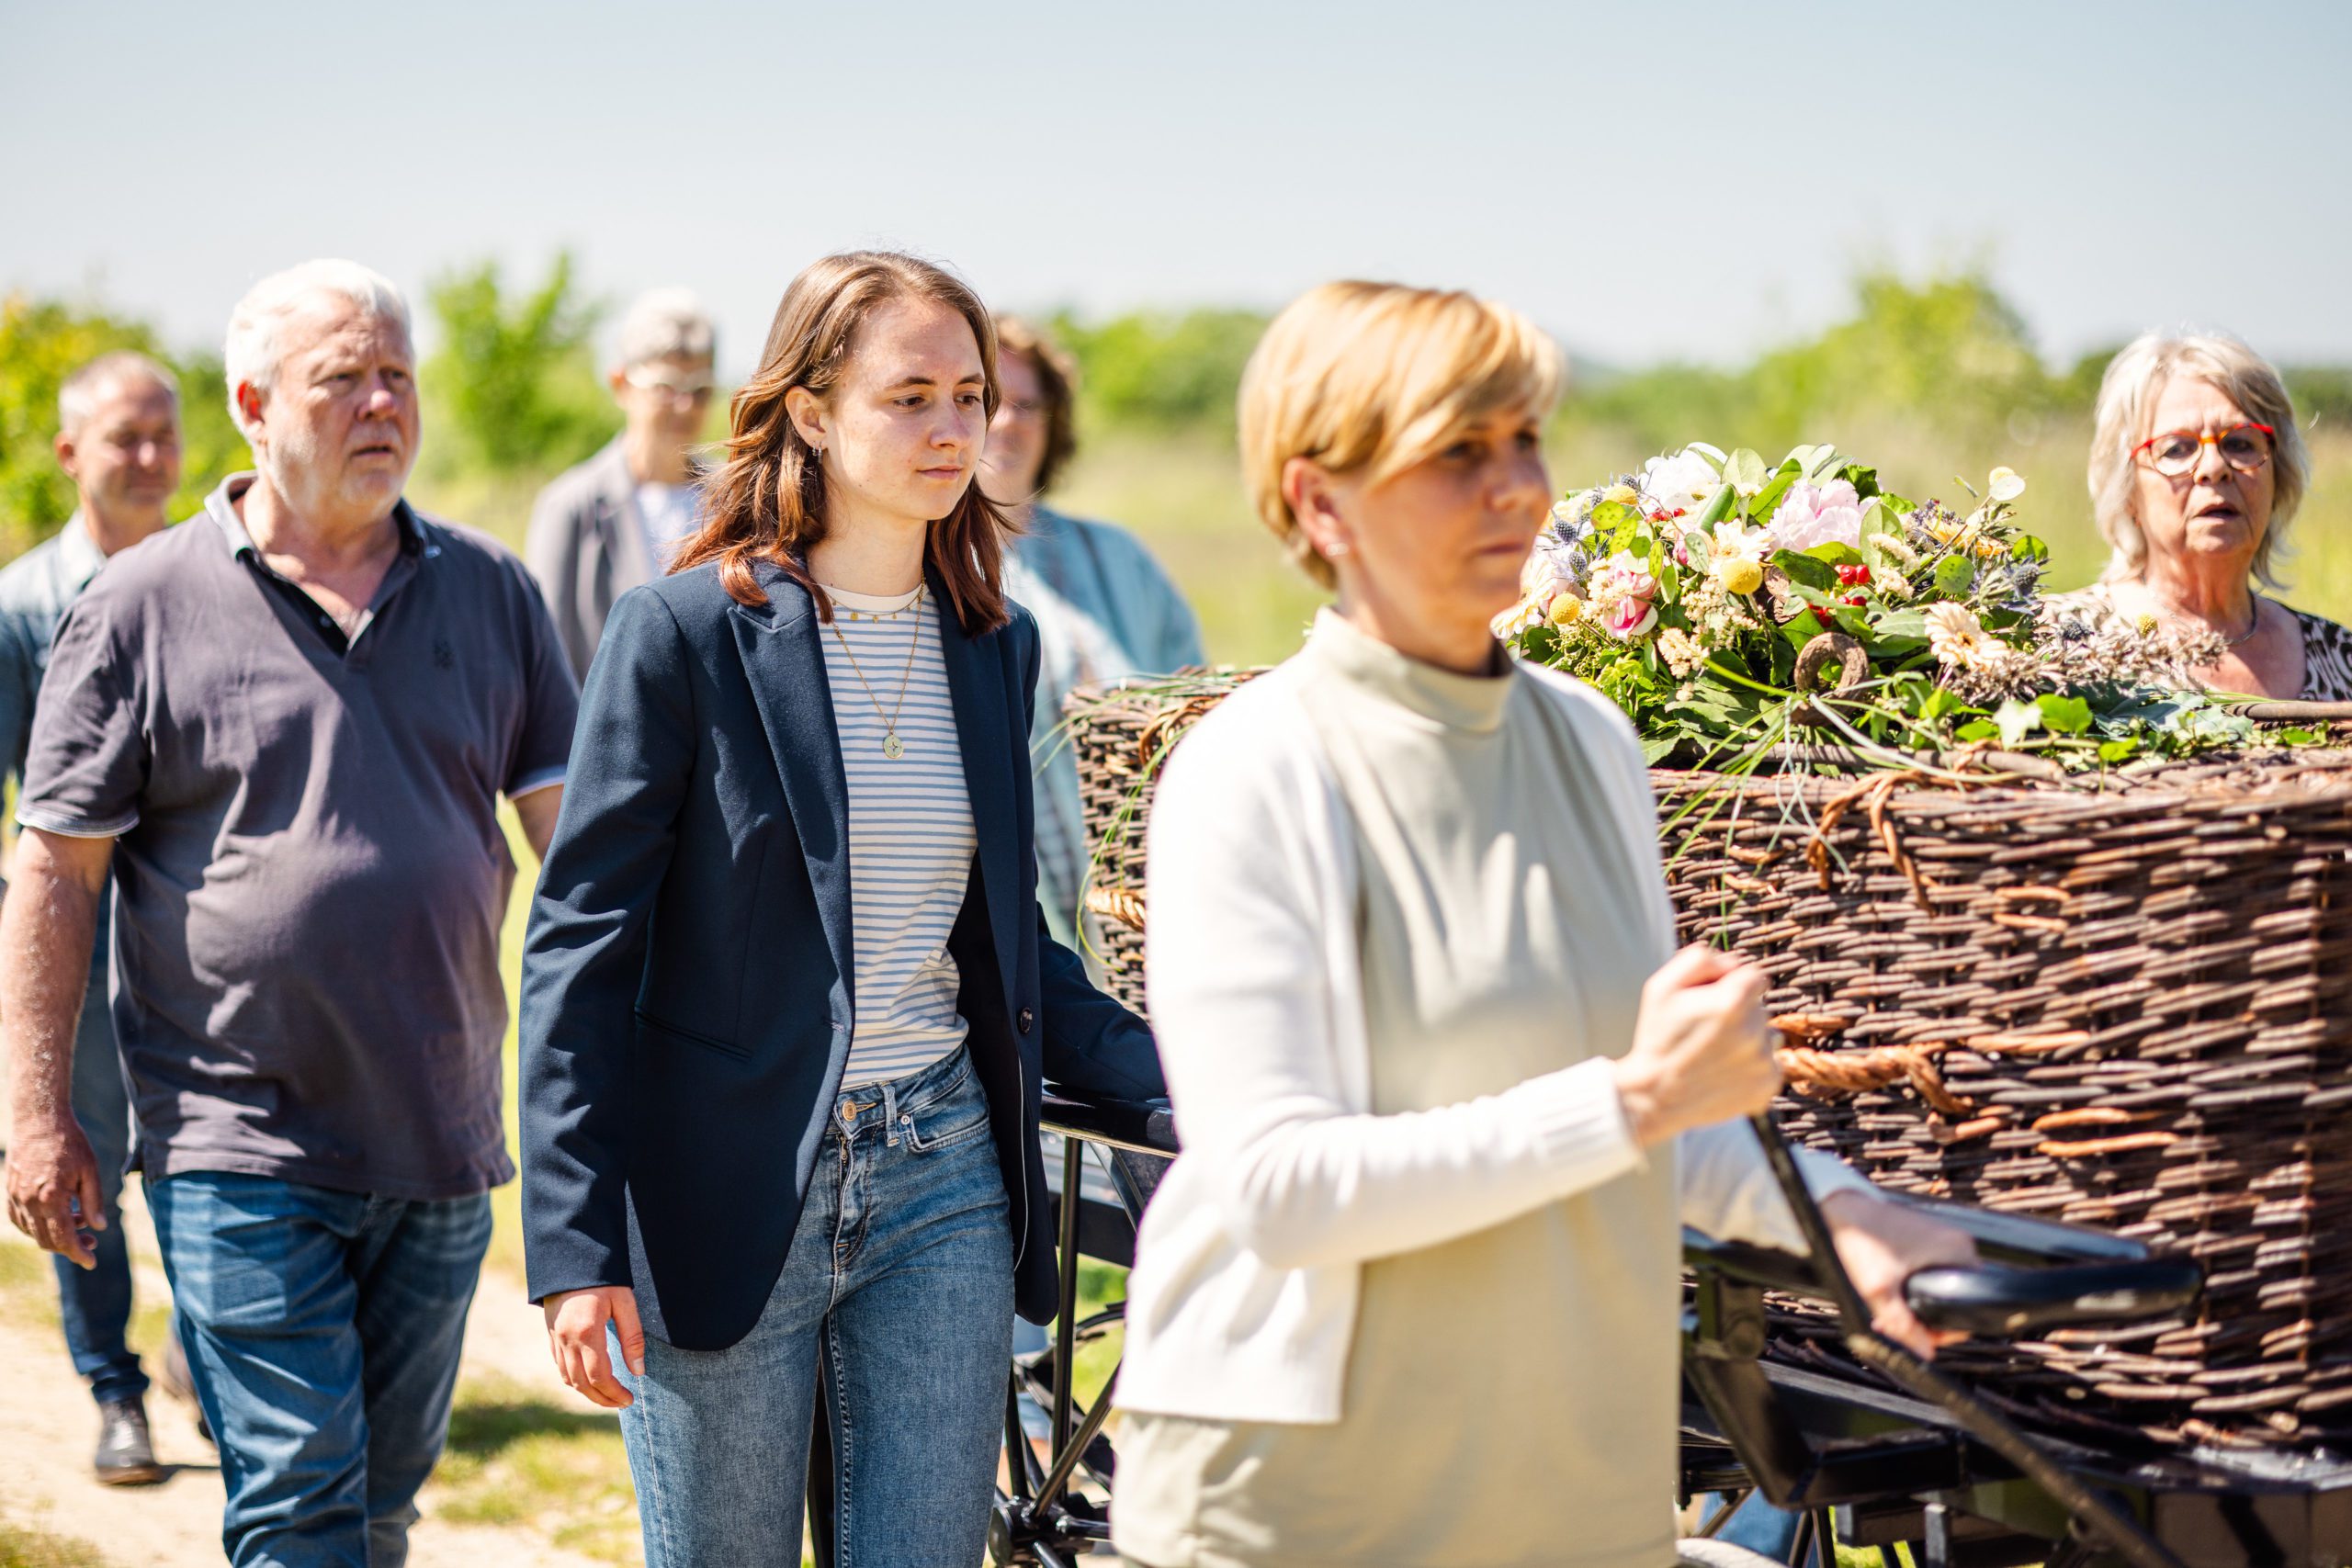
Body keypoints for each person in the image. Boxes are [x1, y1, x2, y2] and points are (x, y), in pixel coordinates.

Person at [1111, 280, 1978, 1568]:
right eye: (1458, 452)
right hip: (1303, 1506)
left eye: (1524, 439)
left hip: (1567, 1486)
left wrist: (1839, 1212)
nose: (1519, 486)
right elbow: (1281, 1189)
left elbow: (1666, 1118)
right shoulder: (1254, 770)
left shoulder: (1590, 742)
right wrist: (1629, 1101)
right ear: (1316, 500)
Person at [520, 250, 1165, 1567]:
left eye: (970, 395)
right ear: (811, 413)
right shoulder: (683, 632)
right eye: (909, 395)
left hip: (944, 1172)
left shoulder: (997, 642)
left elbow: (1007, 944)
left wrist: (1198, 1084)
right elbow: (582, 947)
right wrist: (574, 1241)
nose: (952, 430)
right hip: (721, 1175)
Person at [1, 258, 579, 1566]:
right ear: (256, 403)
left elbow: (583, 857)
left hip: (439, 1132)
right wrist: (36, 1114)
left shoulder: (491, 592)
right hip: (233, 1134)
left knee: (377, 1505)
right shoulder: (139, 603)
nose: (384, 403)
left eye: (399, 377)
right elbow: (54, 872)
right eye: (345, 379)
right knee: (300, 1497)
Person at [0, 350, 181, 1484]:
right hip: (82, 940)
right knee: (84, 1176)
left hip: (199, 946)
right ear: (72, 452)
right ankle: (115, 1390)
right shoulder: (20, 608)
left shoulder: (207, 582)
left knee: (215, 1168)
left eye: (166, 434)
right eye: (126, 438)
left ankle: (205, 1368)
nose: (153, 458)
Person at [982, 317, 1204, 946]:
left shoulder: (1117, 554)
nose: (1008, 421)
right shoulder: (926, 567)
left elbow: (1192, 693)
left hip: (1152, 896)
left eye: (1028, 403)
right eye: (988, 400)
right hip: (1019, 926)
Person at [2049, 331, 2336, 697]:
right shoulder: (2057, 642)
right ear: (2128, 491)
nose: (2214, 467)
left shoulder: (2336, 654)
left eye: (2240, 443)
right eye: (2177, 449)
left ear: (2277, 477)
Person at [527, 288, 718, 679]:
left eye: (699, 391)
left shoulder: (738, 498)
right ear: (621, 384)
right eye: (666, 388)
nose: (685, 406)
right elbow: (545, 663)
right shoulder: (571, 506)